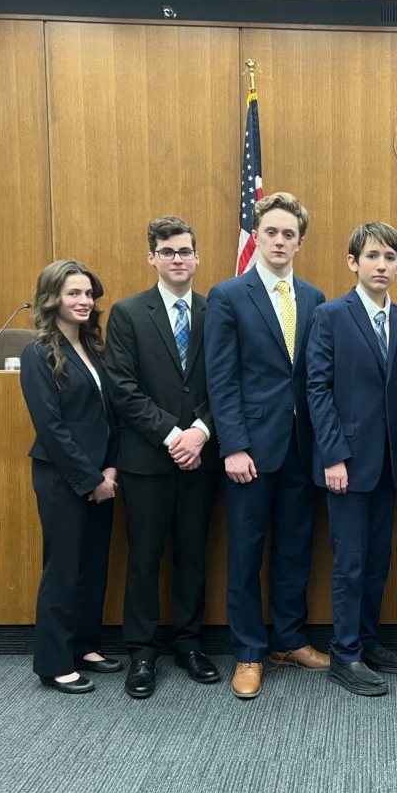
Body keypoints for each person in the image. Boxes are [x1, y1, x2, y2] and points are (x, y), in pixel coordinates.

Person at [205, 192, 329, 699]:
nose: (280, 241)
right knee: (246, 553)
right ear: (257, 236)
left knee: (296, 549)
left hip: (302, 447)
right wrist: (233, 444)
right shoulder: (229, 295)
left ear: (301, 241)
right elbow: (221, 377)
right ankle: (249, 652)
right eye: (272, 232)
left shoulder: (317, 298)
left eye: (289, 234)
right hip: (250, 450)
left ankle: (289, 639)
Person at [103, 216, 222, 700]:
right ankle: (143, 652)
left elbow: (226, 382)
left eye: (185, 251)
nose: (178, 259)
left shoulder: (216, 311)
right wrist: (173, 435)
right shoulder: (128, 313)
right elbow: (122, 389)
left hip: (202, 456)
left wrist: (201, 430)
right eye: (168, 251)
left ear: (197, 257)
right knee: (145, 559)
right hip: (148, 460)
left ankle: (190, 645)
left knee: (193, 556)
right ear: (151, 256)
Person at [306, 222, 397, 697]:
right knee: (350, 561)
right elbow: (317, 388)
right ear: (353, 262)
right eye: (372, 256)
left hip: (389, 463)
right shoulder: (330, 315)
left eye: (390, 257)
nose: (381, 265)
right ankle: (345, 653)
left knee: (376, 560)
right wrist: (333, 455)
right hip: (345, 463)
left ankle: (368, 640)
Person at [20, 260, 120, 694]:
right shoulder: (38, 351)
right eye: (73, 293)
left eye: (88, 294)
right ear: (52, 298)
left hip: (103, 475)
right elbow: (51, 427)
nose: (83, 301)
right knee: (63, 567)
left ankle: (84, 645)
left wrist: (111, 469)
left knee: (93, 564)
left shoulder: (95, 349)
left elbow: (109, 416)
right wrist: (90, 477)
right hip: (63, 477)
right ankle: (54, 661)